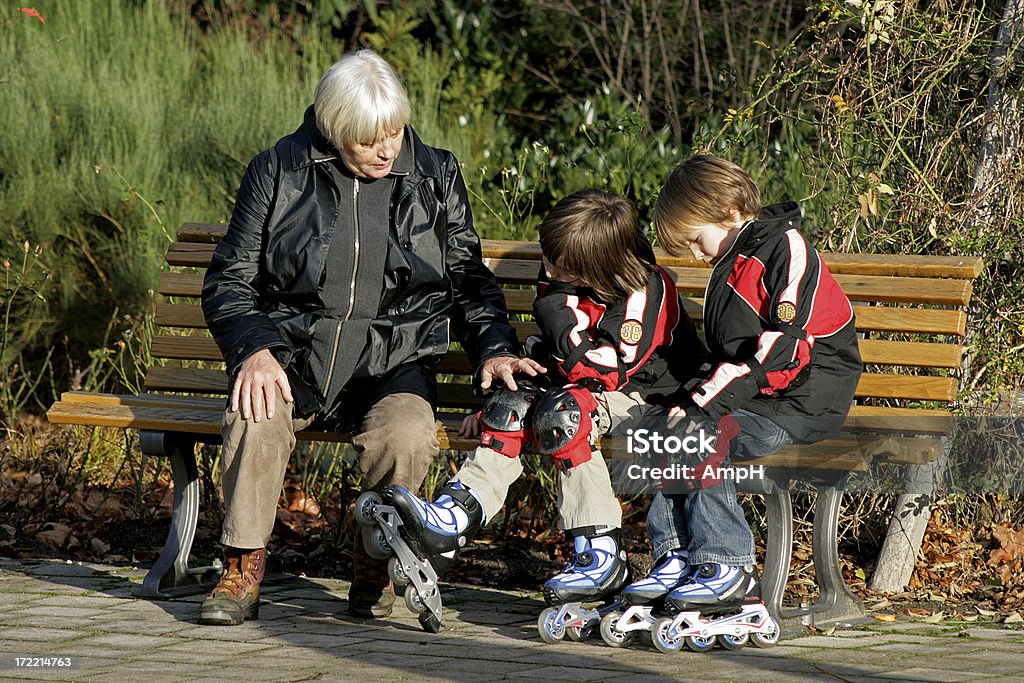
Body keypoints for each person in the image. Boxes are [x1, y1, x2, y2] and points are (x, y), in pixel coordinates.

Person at [197, 49, 541, 625]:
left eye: (395, 132)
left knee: (406, 433)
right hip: (296, 355)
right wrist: (254, 351)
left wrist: (496, 346)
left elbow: (467, 277)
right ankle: (242, 566)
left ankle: (376, 564)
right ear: (334, 130)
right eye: (368, 139)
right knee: (253, 413)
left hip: (393, 361)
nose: (386, 149)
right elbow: (230, 279)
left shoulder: (435, 173)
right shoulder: (278, 170)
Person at [382, 188, 706, 605]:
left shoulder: (644, 290)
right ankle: (454, 518)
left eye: (560, 263)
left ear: (593, 266)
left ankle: (600, 550)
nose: (548, 268)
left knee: (564, 416)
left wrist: (553, 315)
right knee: (510, 409)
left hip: (649, 396)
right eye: (548, 255)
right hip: (583, 386)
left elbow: (605, 368)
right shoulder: (561, 273)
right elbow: (553, 357)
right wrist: (497, 402)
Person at [618, 154, 863, 613]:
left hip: (798, 406)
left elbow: (784, 350)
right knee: (660, 427)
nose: (695, 255)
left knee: (702, 434)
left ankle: (726, 563)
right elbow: (727, 359)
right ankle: (677, 556)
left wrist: (704, 407)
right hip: (756, 401)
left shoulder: (786, 250)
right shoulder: (735, 258)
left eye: (695, 240)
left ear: (729, 211)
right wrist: (684, 396)